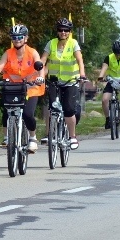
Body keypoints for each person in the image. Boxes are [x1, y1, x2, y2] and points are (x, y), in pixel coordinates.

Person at [0, 24, 45, 153]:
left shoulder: (32, 52)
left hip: (31, 87)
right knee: (6, 111)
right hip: (13, 87)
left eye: (20, 37)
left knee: (27, 114)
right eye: (14, 37)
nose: (17, 39)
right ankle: (6, 137)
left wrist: (41, 78)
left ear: (26, 38)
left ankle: (32, 138)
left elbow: (40, 66)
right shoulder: (8, 53)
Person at [40, 17, 86, 150]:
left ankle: (72, 137)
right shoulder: (51, 43)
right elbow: (43, 60)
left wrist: (82, 74)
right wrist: (40, 74)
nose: (63, 32)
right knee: (51, 108)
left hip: (70, 81)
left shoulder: (73, 44)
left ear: (70, 32)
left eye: (66, 30)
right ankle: (49, 134)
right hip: (54, 81)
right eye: (60, 30)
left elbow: (80, 61)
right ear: (57, 31)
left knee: (69, 110)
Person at [97, 40, 120, 130]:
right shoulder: (108, 58)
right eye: (116, 53)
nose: (118, 54)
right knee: (104, 100)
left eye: (119, 52)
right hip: (111, 80)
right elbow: (104, 68)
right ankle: (108, 118)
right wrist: (100, 76)